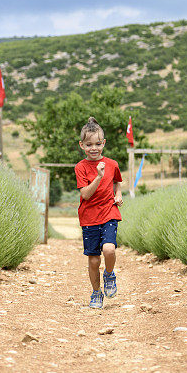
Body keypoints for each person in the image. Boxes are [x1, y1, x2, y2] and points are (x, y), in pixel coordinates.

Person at [75, 117, 124, 309]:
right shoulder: (80, 167)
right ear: (82, 145)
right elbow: (85, 194)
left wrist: (118, 194)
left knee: (109, 249)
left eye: (97, 144)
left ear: (103, 143)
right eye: (89, 144)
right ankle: (96, 293)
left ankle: (110, 275)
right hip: (89, 216)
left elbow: (117, 181)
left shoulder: (112, 164)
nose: (93, 148)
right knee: (94, 260)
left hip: (109, 212)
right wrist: (98, 176)